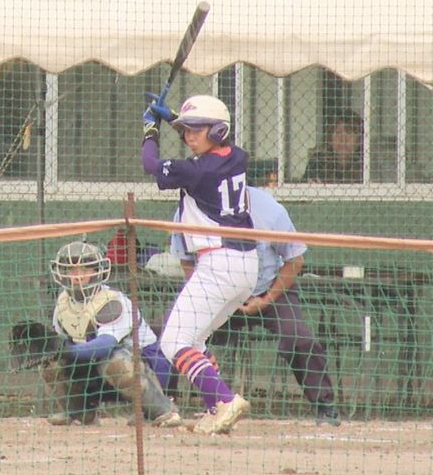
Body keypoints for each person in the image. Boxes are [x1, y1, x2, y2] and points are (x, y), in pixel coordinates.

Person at [171, 186, 341, 426]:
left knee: (300, 339)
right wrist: (205, 296)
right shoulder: (188, 210)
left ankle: (325, 407)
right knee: (175, 334)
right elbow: (187, 262)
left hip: (270, 288)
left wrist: (267, 299)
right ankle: (168, 407)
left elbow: (295, 260)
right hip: (218, 291)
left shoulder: (268, 208)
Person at [141, 93, 258, 434]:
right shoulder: (235, 157)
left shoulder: (197, 172)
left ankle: (224, 398)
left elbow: (151, 165)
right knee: (194, 341)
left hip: (219, 263)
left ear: (217, 131)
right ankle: (215, 407)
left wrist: (150, 130)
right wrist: (175, 118)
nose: (189, 136)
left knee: (173, 341)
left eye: (196, 130)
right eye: (186, 130)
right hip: (243, 266)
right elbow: (207, 141)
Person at [41, 240, 182, 427]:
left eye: (86, 269)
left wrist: (66, 351)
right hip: (98, 372)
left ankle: (161, 410)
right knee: (50, 363)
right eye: (72, 270)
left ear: (98, 271)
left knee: (112, 360)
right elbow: (65, 342)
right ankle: (81, 413)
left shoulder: (112, 301)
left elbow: (104, 345)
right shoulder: (63, 302)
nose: (78, 276)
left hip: (147, 372)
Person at [302, 111, 363, 183]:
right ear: (330, 138)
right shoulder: (317, 162)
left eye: (349, 132)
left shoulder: (366, 164)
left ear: (359, 140)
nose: (343, 139)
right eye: (338, 132)